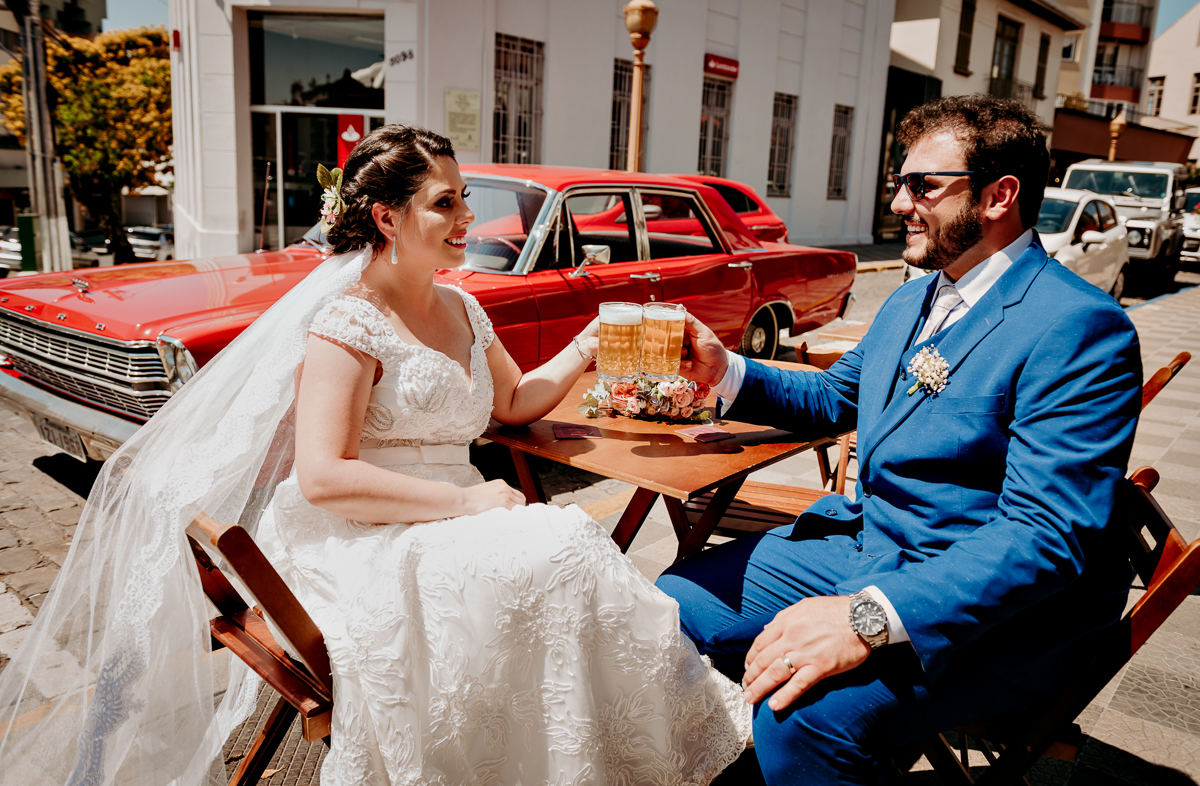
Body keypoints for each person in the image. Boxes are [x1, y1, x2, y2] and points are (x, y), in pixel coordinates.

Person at [0, 125, 749, 786]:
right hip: (359, 532)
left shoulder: (462, 305)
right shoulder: (347, 323)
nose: (466, 219)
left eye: (462, 200)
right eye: (446, 203)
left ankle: (590, 753)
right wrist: (471, 500)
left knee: (566, 549)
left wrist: (586, 347)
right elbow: (325, 477)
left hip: (455, 515)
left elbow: (513, 402)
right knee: (558, 549)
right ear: (388, 218)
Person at [658, 94, 1143, 785]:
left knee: (802, 717)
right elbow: (834, 397)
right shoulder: (914, 296)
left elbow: (1045, 536)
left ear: (1000, 195)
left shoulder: (1078, 328)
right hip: (866, 543)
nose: (898, 204)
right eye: (898, 183)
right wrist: (726, 370)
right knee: (666, 608)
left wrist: (865, 620)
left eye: (922, 185)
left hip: (989, 612)